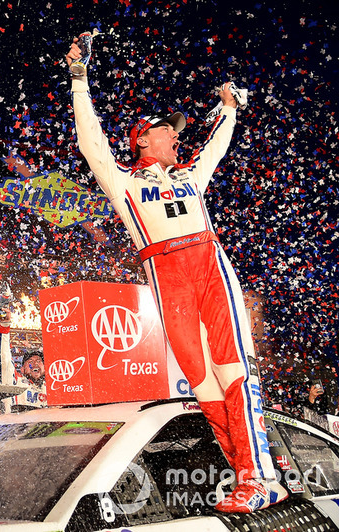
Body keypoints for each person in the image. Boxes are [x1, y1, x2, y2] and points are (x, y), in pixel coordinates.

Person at [66, 37, 287, 513]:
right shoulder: (123, 182)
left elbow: (216, 146)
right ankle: (247, 478)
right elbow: (90, 143)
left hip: (207, 264)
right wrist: (80, 81)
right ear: (143, 139)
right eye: (167, 132)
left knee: (234, 371)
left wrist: (229, 109)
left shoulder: (190, 176)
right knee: (205, 385)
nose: (175, 137)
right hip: (165, 274)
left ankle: (261, 476)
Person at [0, 310, 47, 410]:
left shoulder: (54, 388)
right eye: (30, 362)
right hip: (17, 425)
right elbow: (4, 359)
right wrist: (4, 326)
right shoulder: (15, 382)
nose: (35, 364)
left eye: (39, 361)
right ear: (22, 369)